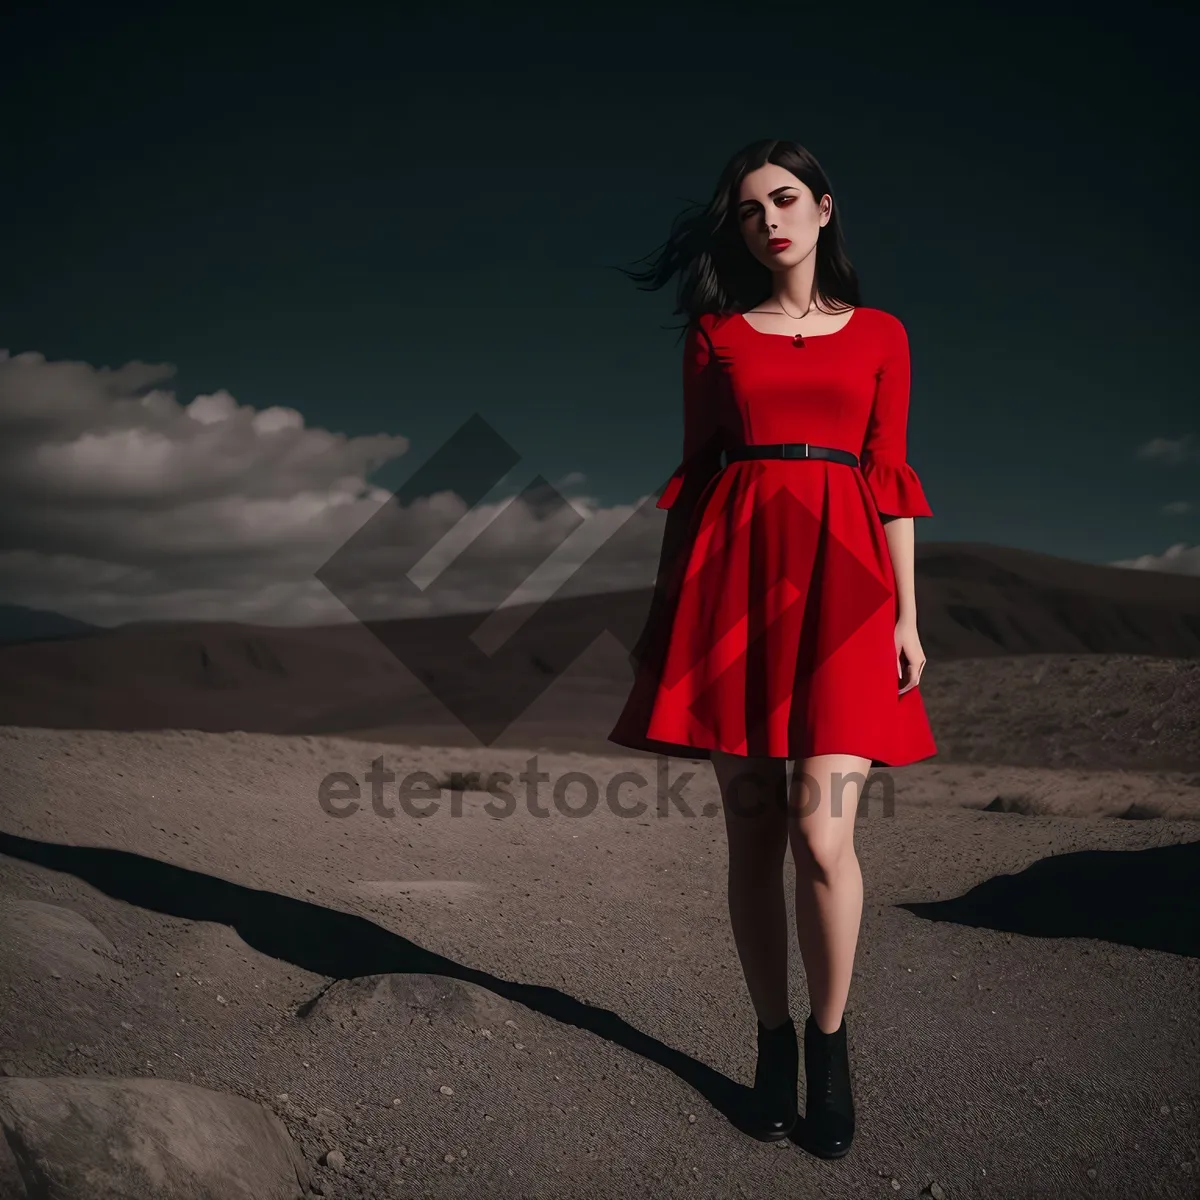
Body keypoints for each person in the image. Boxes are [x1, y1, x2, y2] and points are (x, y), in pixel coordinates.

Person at [607, 138, 937, 1158]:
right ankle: (771, 1042)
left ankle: (831, 1047)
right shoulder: (715, 339)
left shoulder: (881, 334)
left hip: (845, 586)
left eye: (784, 200)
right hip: (734, 584)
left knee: (820, 834)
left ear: (825, 210)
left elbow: (889, 476)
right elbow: (696, 478)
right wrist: (668, 620)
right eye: (750, 211)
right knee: (751, 834)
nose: (769, 221)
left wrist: (907, 616)